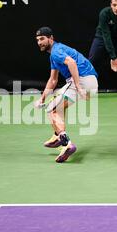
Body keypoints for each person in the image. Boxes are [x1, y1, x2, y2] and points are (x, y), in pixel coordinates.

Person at [35, 27, 99, 163]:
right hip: (91, 82)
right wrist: (42, 98)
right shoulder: (54, 55)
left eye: (42, 39)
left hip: (81, 80)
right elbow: (53, 80)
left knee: (51, 109)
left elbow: (71, 62)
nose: (39, 42)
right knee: (58, 107)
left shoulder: (56, 51)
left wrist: (78, 86)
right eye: (38, 40)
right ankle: (57, 135)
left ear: (50, 38)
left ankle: (66, 143)